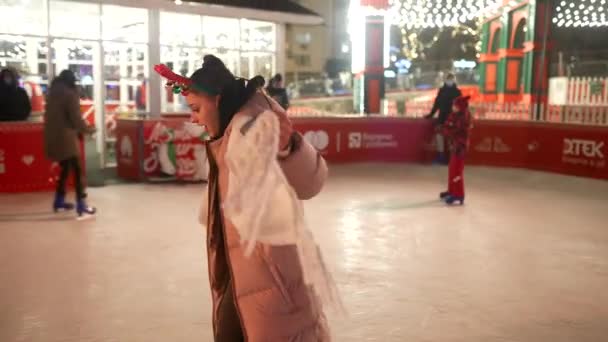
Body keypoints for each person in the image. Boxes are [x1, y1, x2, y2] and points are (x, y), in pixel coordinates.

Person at [154, 55, 330, 341]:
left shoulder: (254, 127)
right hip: (242, 276)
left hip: (270, 280)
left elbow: (312, 181)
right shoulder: (226, 137)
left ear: (219, 99)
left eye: (196, 108)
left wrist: (287, 147)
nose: (193, 118)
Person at [44, 70, 96, 217]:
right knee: (78, 171)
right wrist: (88, 130)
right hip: (66, 137)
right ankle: (81, 204)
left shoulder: (52, 93)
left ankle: (59, 201)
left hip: (52, 136)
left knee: (65, 168)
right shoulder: (70, 94)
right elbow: (76, 119)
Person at [439, 95, 473, 205]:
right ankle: (452, 190)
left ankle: (459, 194)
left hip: (460, 147)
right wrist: (446, 127)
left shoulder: (463, 117)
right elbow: (447, 125)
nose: (452, 107)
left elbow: (452, 130)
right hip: (455, 145)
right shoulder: (456, 115)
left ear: (460, 107)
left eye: (455, 105)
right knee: (452, 169)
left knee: (457, 172)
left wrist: (446, 129)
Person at [425, 73, 462, 164]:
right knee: (439, 136)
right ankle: (440, 156)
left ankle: (452, 158)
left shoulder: (457, 92)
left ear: (454, 80)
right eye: (448, 79)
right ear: (445, 80)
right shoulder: (442, 91)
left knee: (452, 138)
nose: (450, 81)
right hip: (442, 117)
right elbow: (437, 104)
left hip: (453, 119)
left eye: (451, 79)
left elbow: (461, 106)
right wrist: (431, 114)